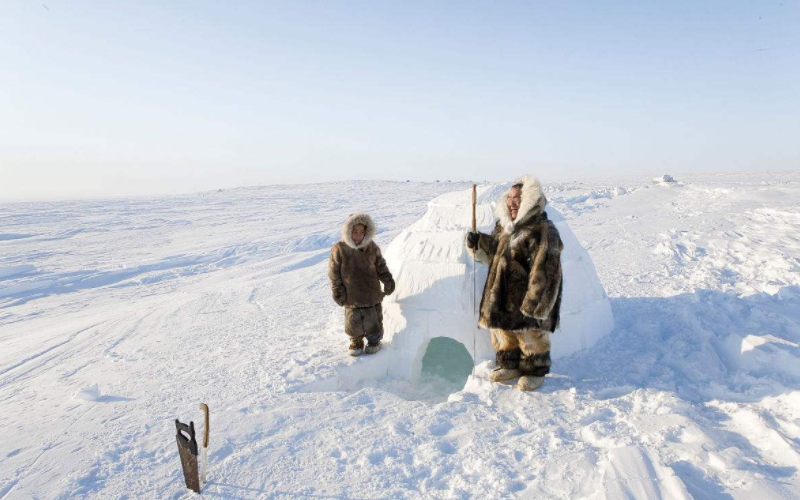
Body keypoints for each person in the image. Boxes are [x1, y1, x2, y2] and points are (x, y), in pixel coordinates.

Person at [466, 175, 564, 391]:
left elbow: (547, 270)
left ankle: (534, 370)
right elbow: (493, 253)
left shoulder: (542, 231)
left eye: (518, 198)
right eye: (509, 197)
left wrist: (535, 304)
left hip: (525, 297)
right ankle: (509, 364)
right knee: (502, 331)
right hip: (501, 294)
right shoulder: (504, 228)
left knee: (530, 334)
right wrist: (479, 242)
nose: (512, 202)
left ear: (530, 200)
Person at [328, 213, 395, 356]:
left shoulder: (372, 247)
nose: (358, 235)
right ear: (348, 231)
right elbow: (334, 274)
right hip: (351, 295)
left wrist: (387, 280)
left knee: (374, 321)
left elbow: (381, 266)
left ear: (367, 232)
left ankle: (373, 340)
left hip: (371, 293)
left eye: (362, 232)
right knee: (353, 321)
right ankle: (356, 341)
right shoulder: (340, 249)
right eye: (354, 232)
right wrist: (338, 291)